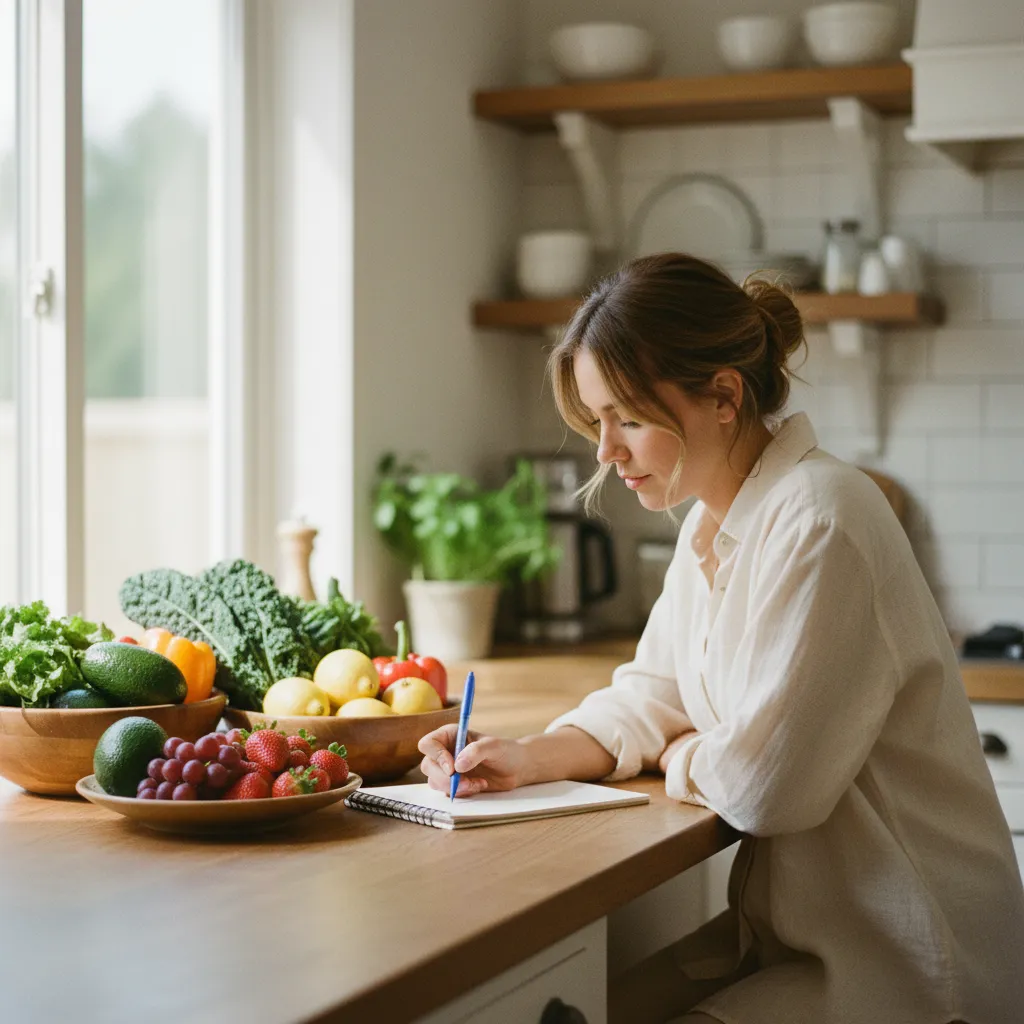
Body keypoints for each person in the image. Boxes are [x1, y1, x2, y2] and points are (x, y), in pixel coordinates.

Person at [417, 253, 1024, 1024]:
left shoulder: (821, 518)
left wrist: (687, 753)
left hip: (911, 960)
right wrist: (530, 756)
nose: (606, 452)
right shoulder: (713, 520)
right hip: (799, 933)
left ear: (725, 396)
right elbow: (656, 689)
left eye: (627, 419)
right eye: (597, 422)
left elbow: (766, 788)